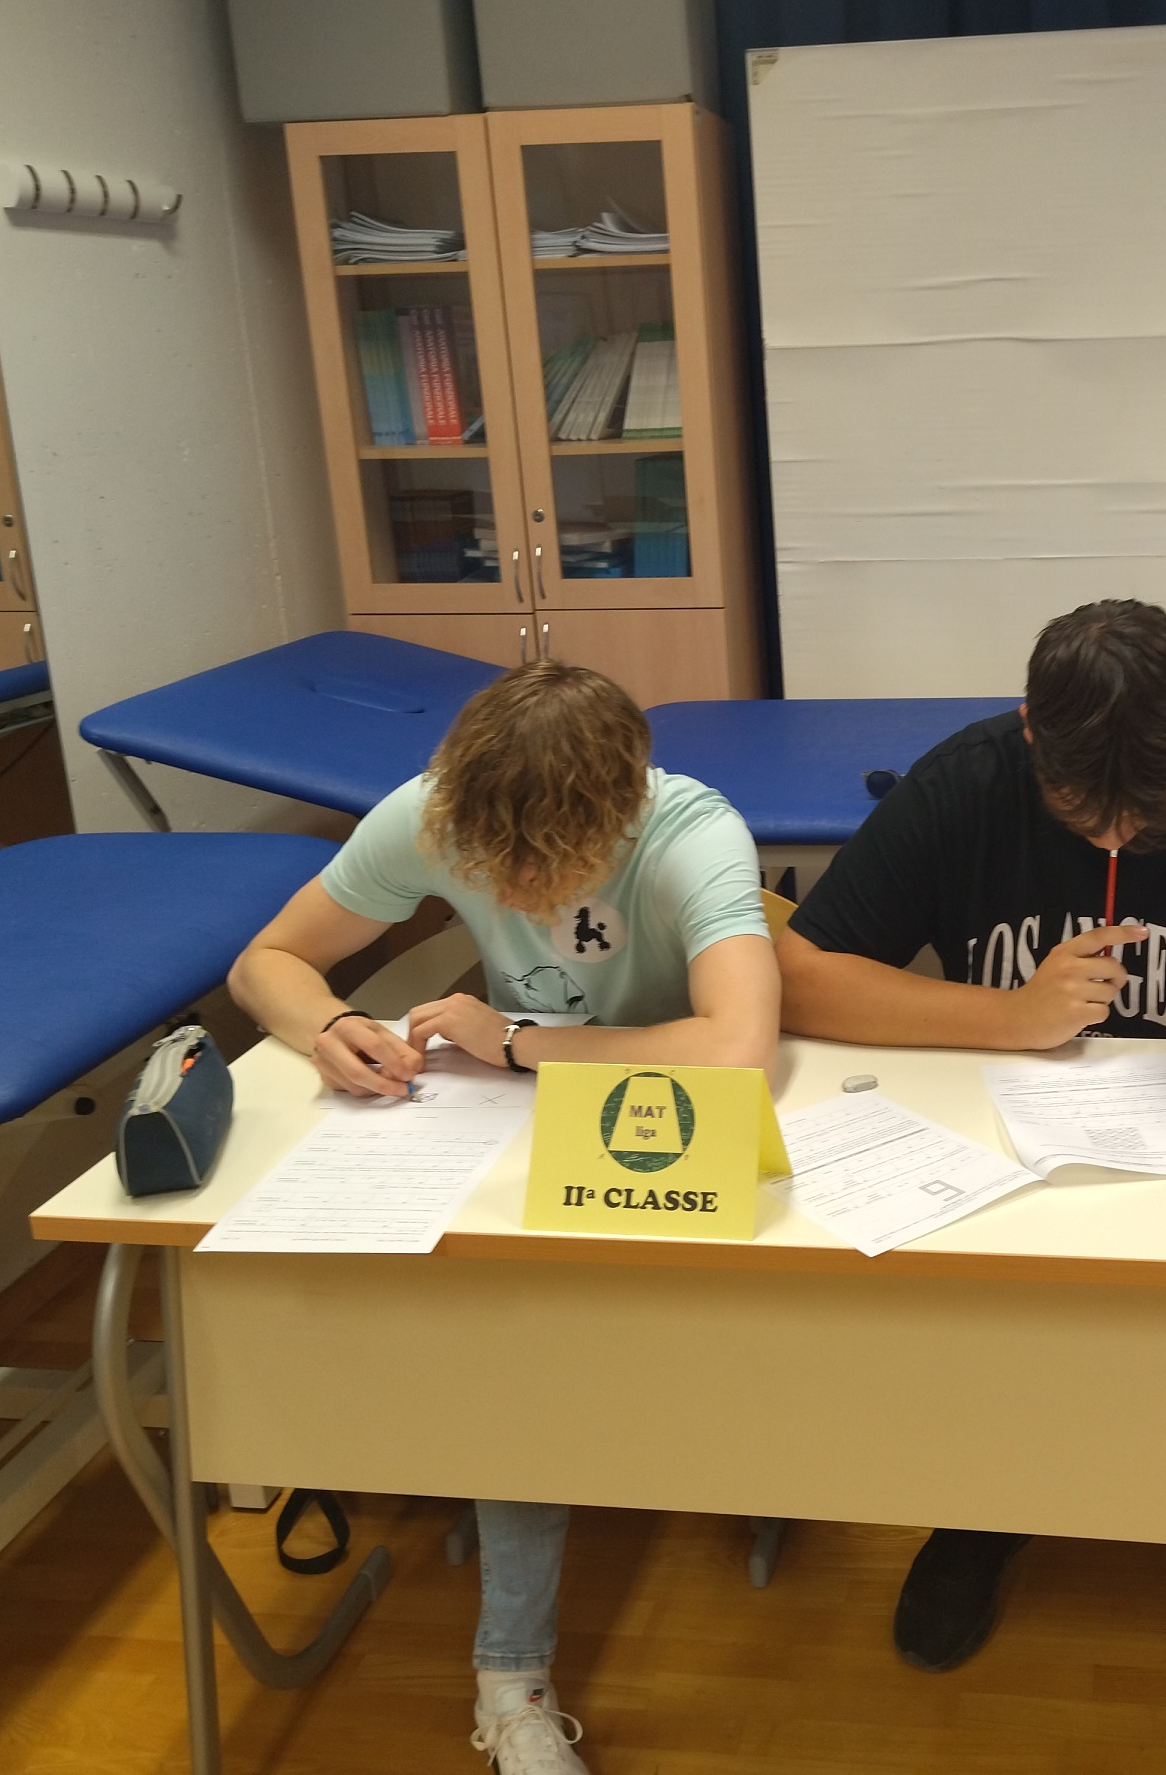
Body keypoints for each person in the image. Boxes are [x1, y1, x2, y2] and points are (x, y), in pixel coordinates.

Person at [777, 598, 1166, 1676]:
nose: (1116, 839)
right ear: (1029, 734)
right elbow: (803, 976)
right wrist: (1008, 1017)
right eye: (1084, 810)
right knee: (997, 1322)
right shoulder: (964, 784)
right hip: (1012, 1145)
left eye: (1152, 816)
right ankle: (986, 1506)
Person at [229, 661, 778, 1775]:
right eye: (494, 866)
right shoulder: (433, 813)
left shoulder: (691, 831)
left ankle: (556, 1591)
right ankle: (511, 1678)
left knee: (553, 1349)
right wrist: (328, 1025)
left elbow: (735, 1049)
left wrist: (518, 1041)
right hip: (507, 1129)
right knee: (514, 1350)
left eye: (545, 865)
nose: (518, 893)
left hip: (662, 1129)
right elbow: (269, 962)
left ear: (617, 815)